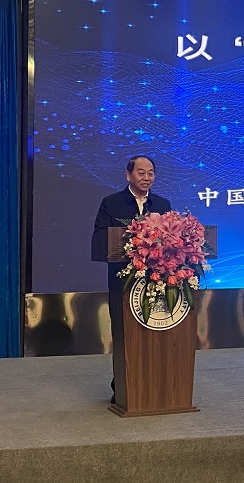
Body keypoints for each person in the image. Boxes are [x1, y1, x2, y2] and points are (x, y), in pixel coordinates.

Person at [91, 155, 172, 403]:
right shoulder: (112, 203)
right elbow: (100, 238)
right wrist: (134, 240)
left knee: (153, 334)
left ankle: (154, 386)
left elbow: (171, 238)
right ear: (128, 175)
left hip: (155, 281)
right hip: (123, 280)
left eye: (150, 173)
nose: (146, 178)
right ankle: (123, 388)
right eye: (141, 173)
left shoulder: (162, 204)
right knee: (124, 332)